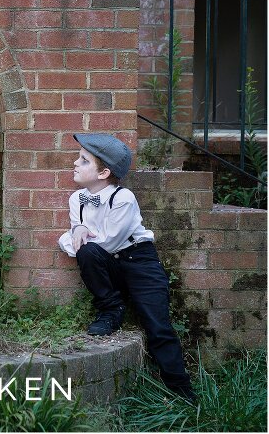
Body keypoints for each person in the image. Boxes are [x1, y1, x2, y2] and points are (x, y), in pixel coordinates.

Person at [58, 133, 196, 402]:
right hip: (110, 265)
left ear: (103, 173)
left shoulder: (123, 198)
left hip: (139, 262)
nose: (75, 163)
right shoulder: (77, 199)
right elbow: (76, 244)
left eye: (84, 160)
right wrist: (78, 230)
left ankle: (182, 393)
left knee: (158, 326)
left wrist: (81, 233)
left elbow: (108, 242)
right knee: (87, 251)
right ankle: (112, 309)